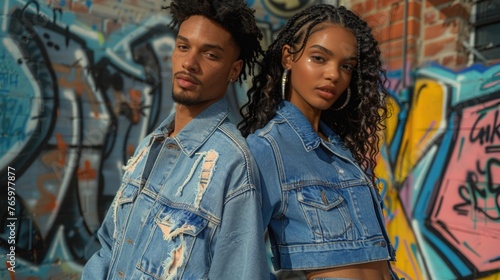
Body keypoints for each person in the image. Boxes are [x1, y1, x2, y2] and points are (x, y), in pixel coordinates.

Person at [82, 0, 269, 279]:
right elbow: (110, 246)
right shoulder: (151, 145)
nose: (189, 63)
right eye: (183, 47)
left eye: (210, 55)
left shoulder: (233, 164)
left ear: (234, 70)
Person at [239, 4, 399, 280]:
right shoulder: (266, 149)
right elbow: (239, 258)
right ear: (289, 57)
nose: (334, 75)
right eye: (319, 58)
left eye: (346, 66)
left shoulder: (342, 152)